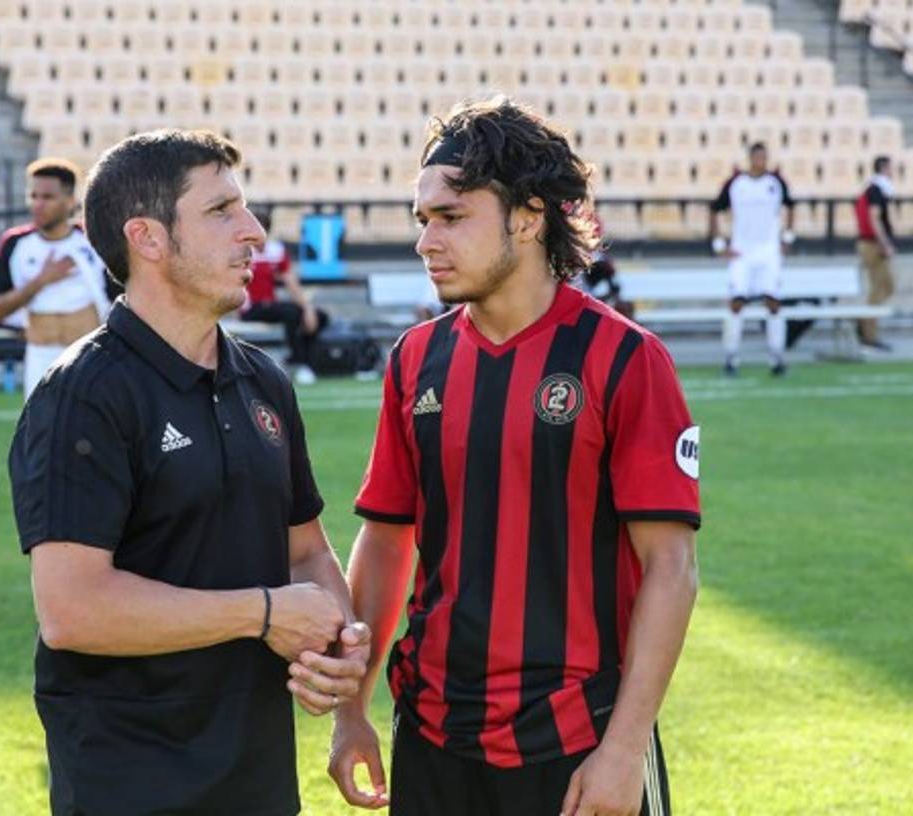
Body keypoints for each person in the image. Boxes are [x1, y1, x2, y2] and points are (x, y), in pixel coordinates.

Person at [327, 97, 701, 816]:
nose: (426, 241)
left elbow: (671, 568)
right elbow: (384, 539)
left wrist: (623, 749)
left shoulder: (625, 358)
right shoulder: (416, 358)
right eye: (422, 220)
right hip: (433, 735)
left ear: (528, 217)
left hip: (578, 742)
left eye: (452, 217)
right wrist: (352, 708)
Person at [7, 129, 370, 816]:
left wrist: (338, 646)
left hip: (258, 781)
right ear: (147, 238)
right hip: (131, 784)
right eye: (221, 211)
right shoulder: (82, 395)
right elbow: (72, 610)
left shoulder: (263, 381)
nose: (254, 233)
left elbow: (306, 551)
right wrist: (263, 615)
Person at [0, 158, 120, 398]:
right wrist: (41, 281)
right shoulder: (15, 244)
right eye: (33, 196)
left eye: (47, 197)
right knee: (41, 433)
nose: (38, 204)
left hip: (91, 356)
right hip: (39, 358)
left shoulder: (93, 242)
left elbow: (121, 297)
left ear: (70, 201)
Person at [708, 142, 796, 376]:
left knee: (773, 303)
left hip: (769, 252)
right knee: (736, 302)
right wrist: (719, 244)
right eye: (758, 157)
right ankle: (730, 358)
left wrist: (787, 237)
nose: (761, 161)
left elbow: (790, 206)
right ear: (751, 158)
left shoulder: (775, 182)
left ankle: (777, 358)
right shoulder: (736, 183)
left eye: (764, 157)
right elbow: (715, 208)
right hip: (742, 252)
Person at [240, 210, 329, 385]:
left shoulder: (275, 250)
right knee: (291, 312)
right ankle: (298, 362)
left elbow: (290, 281)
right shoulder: (241, 252)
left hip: (271, 306)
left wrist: (308, 309)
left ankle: (304, 361)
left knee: (320, 317)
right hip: (251, 307)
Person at [855, 155, 896, 351]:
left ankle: (864, 324)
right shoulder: (876, 190)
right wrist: (884, 243)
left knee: (886, 287)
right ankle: (868, 332)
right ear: (883, 168)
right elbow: (875, 218)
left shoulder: (874, 188)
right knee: (879, 288)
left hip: (872, 243)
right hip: (872, 244)